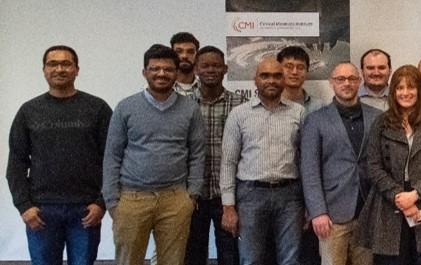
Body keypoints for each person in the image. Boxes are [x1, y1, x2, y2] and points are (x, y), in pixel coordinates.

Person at [7, 45, 111, 265]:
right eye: (52, 64)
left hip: (86, 210)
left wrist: (102, 203)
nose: (59, 69)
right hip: (42, 211)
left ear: (76, 69)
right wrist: (24, 206)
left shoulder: (98, 108)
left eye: (66, 63)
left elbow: (112, 160)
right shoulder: (29, 111)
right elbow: (16, 162)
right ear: (44, 70)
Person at [102, 45, 204, 265]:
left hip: (175, 199)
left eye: (168, 69)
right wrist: (112, 200)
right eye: (154, 68)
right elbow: (112, 155)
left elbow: (197, 153)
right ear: (144, 72)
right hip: (132, 199)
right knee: (128, 260)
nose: (161, 74)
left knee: (173, 261)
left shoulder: (190, 109)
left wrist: (192, 194)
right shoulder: (126, 107)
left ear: (176, 72)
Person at [361, 65, 421, 264]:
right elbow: (373, 165)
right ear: (393, 92)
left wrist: (414, 195)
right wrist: (399, 197)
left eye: (411, 87)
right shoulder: (381, 123)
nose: (405, 93)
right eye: (400, 88)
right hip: (390, 202)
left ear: (420, 90)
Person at [220, 58, 306, 265]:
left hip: (290, 196)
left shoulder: (299, 112)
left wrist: (309, 204)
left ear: (284, 80)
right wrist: (228, 207)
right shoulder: (239, 114)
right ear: (255, 80)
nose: (271, 81)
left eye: (277, 76)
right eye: (265, 75)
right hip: (250, 195)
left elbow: (305, 161)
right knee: (250, 259)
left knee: (291, 260)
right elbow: (228, 162)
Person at [301, 62, 381, 265]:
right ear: (331, 83)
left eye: (352, 79)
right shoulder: (316, 120)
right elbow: (310, 170)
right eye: (340, 79)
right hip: (332, 214)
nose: (347, 83)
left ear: (360, 81)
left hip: (368, 212)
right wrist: (317, 212)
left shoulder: (377, 117)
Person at [185, 45, 246, 265]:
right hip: (194, 195)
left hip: (228, 196)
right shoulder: (183, 105)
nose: (211, 70)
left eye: (216, 65)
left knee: (230, 255)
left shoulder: (241, 105)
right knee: (192, 254)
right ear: (196, 69)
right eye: (205, 65)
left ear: (226, 69)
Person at [277, 46, 330, 115]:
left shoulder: (320, 107)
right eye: (289, 67)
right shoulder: (269, 106)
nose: (294, 72)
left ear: (307, 71)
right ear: (278, 69)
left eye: (300, 67)